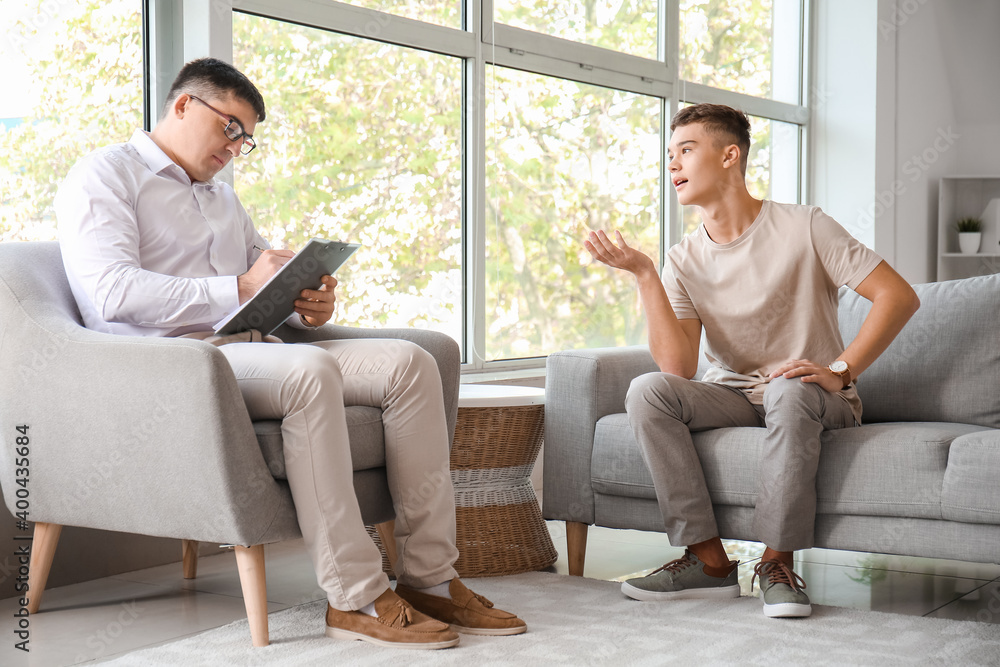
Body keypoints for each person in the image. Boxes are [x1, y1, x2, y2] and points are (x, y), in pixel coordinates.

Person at [55, 57, 525, 649]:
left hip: (251, 352)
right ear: (183, 105)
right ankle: (355, 596)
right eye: (231, 128)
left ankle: (431, 576)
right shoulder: (105, 174)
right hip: (172, 365)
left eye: (246, 139)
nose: (236, 147)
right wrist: (242, 287)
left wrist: (305, 303)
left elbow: (259, 282)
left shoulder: (223, 200)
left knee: (410, 362)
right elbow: (110, 292)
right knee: (310, 369)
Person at [584, 103, 920, 618]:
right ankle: (708, 561)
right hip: (733, 395)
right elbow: (677, 366)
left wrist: (840, 372)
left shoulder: (806, 226)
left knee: (787, 388)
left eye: (686, 151)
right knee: (646, 390)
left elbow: (898, 296)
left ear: (729, 155)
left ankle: (777, 563)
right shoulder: (683, 258)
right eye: (669, 155)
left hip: (811, 397)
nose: (672, 165)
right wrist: (646, 275)